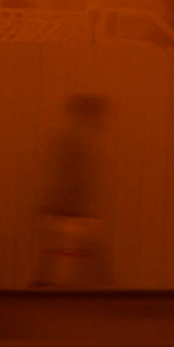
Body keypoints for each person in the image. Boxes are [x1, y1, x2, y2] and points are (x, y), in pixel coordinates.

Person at [34, 92, 113, 290]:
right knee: (84, 248)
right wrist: (81, 209)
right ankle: (105, 288)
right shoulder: (82, 139)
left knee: (61, 248)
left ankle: (44, 283)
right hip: (73, 209)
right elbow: (78, 178)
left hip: (66, 207)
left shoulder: (71, 136)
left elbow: (62, 174)